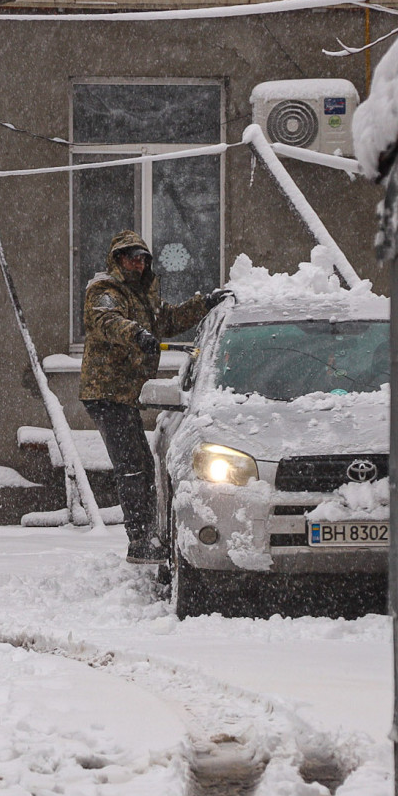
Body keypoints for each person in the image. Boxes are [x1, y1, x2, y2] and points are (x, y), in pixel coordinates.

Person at [80, 230, 232, 563]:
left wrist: (204, 304)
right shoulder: (105, 291)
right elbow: (107, 321)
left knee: (141, 464)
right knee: (133, 466)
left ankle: (148, 535)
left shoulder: (142, 296)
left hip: (125, 393)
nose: (138, 264)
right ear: (118, 259)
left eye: (143, 259)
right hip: (106, 392)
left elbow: (170, 319)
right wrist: (136, 333)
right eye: (132, 258)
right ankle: (140, 540)